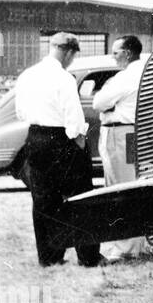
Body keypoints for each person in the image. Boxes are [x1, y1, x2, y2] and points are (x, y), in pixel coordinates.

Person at [13, 32, 101, 267]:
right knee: (81, 197)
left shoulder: (27, 75)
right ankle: (88, 256)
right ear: (70, 52)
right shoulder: (64, 78)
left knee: (43, 200)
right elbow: (73, 117)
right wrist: (79, 141)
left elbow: (20, 112)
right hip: (62, 139)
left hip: (35, 137)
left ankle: (49, 258)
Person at [92, 35, 150, 258]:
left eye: (116, 52)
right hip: (135, 134)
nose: (113, 57)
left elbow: (99, 102)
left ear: (127, 53)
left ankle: (124, 249)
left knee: (121, 189)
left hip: (121, 133)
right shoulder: (147, 70)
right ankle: (135, 245)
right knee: (134, 185)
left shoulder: (126, 77)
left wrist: (110, 109)